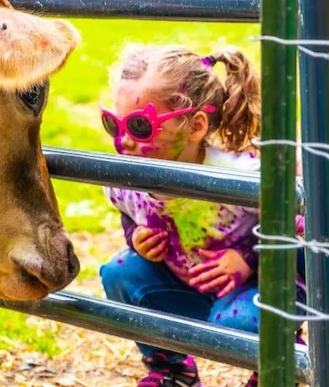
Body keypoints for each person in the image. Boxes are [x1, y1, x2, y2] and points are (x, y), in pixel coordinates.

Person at [98, 44, 265, 387]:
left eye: (141, 126)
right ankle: (173, 369)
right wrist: (136, 237)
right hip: (183, 283)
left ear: (196, 126)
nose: (124, 141)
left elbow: (295, 230)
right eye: (114, 125)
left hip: (247, 291)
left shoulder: (240, 176)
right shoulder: (126, 177)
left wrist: (248, 258)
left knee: (236, 324)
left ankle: (276, 367)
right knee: (120, 272)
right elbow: (127, 212)